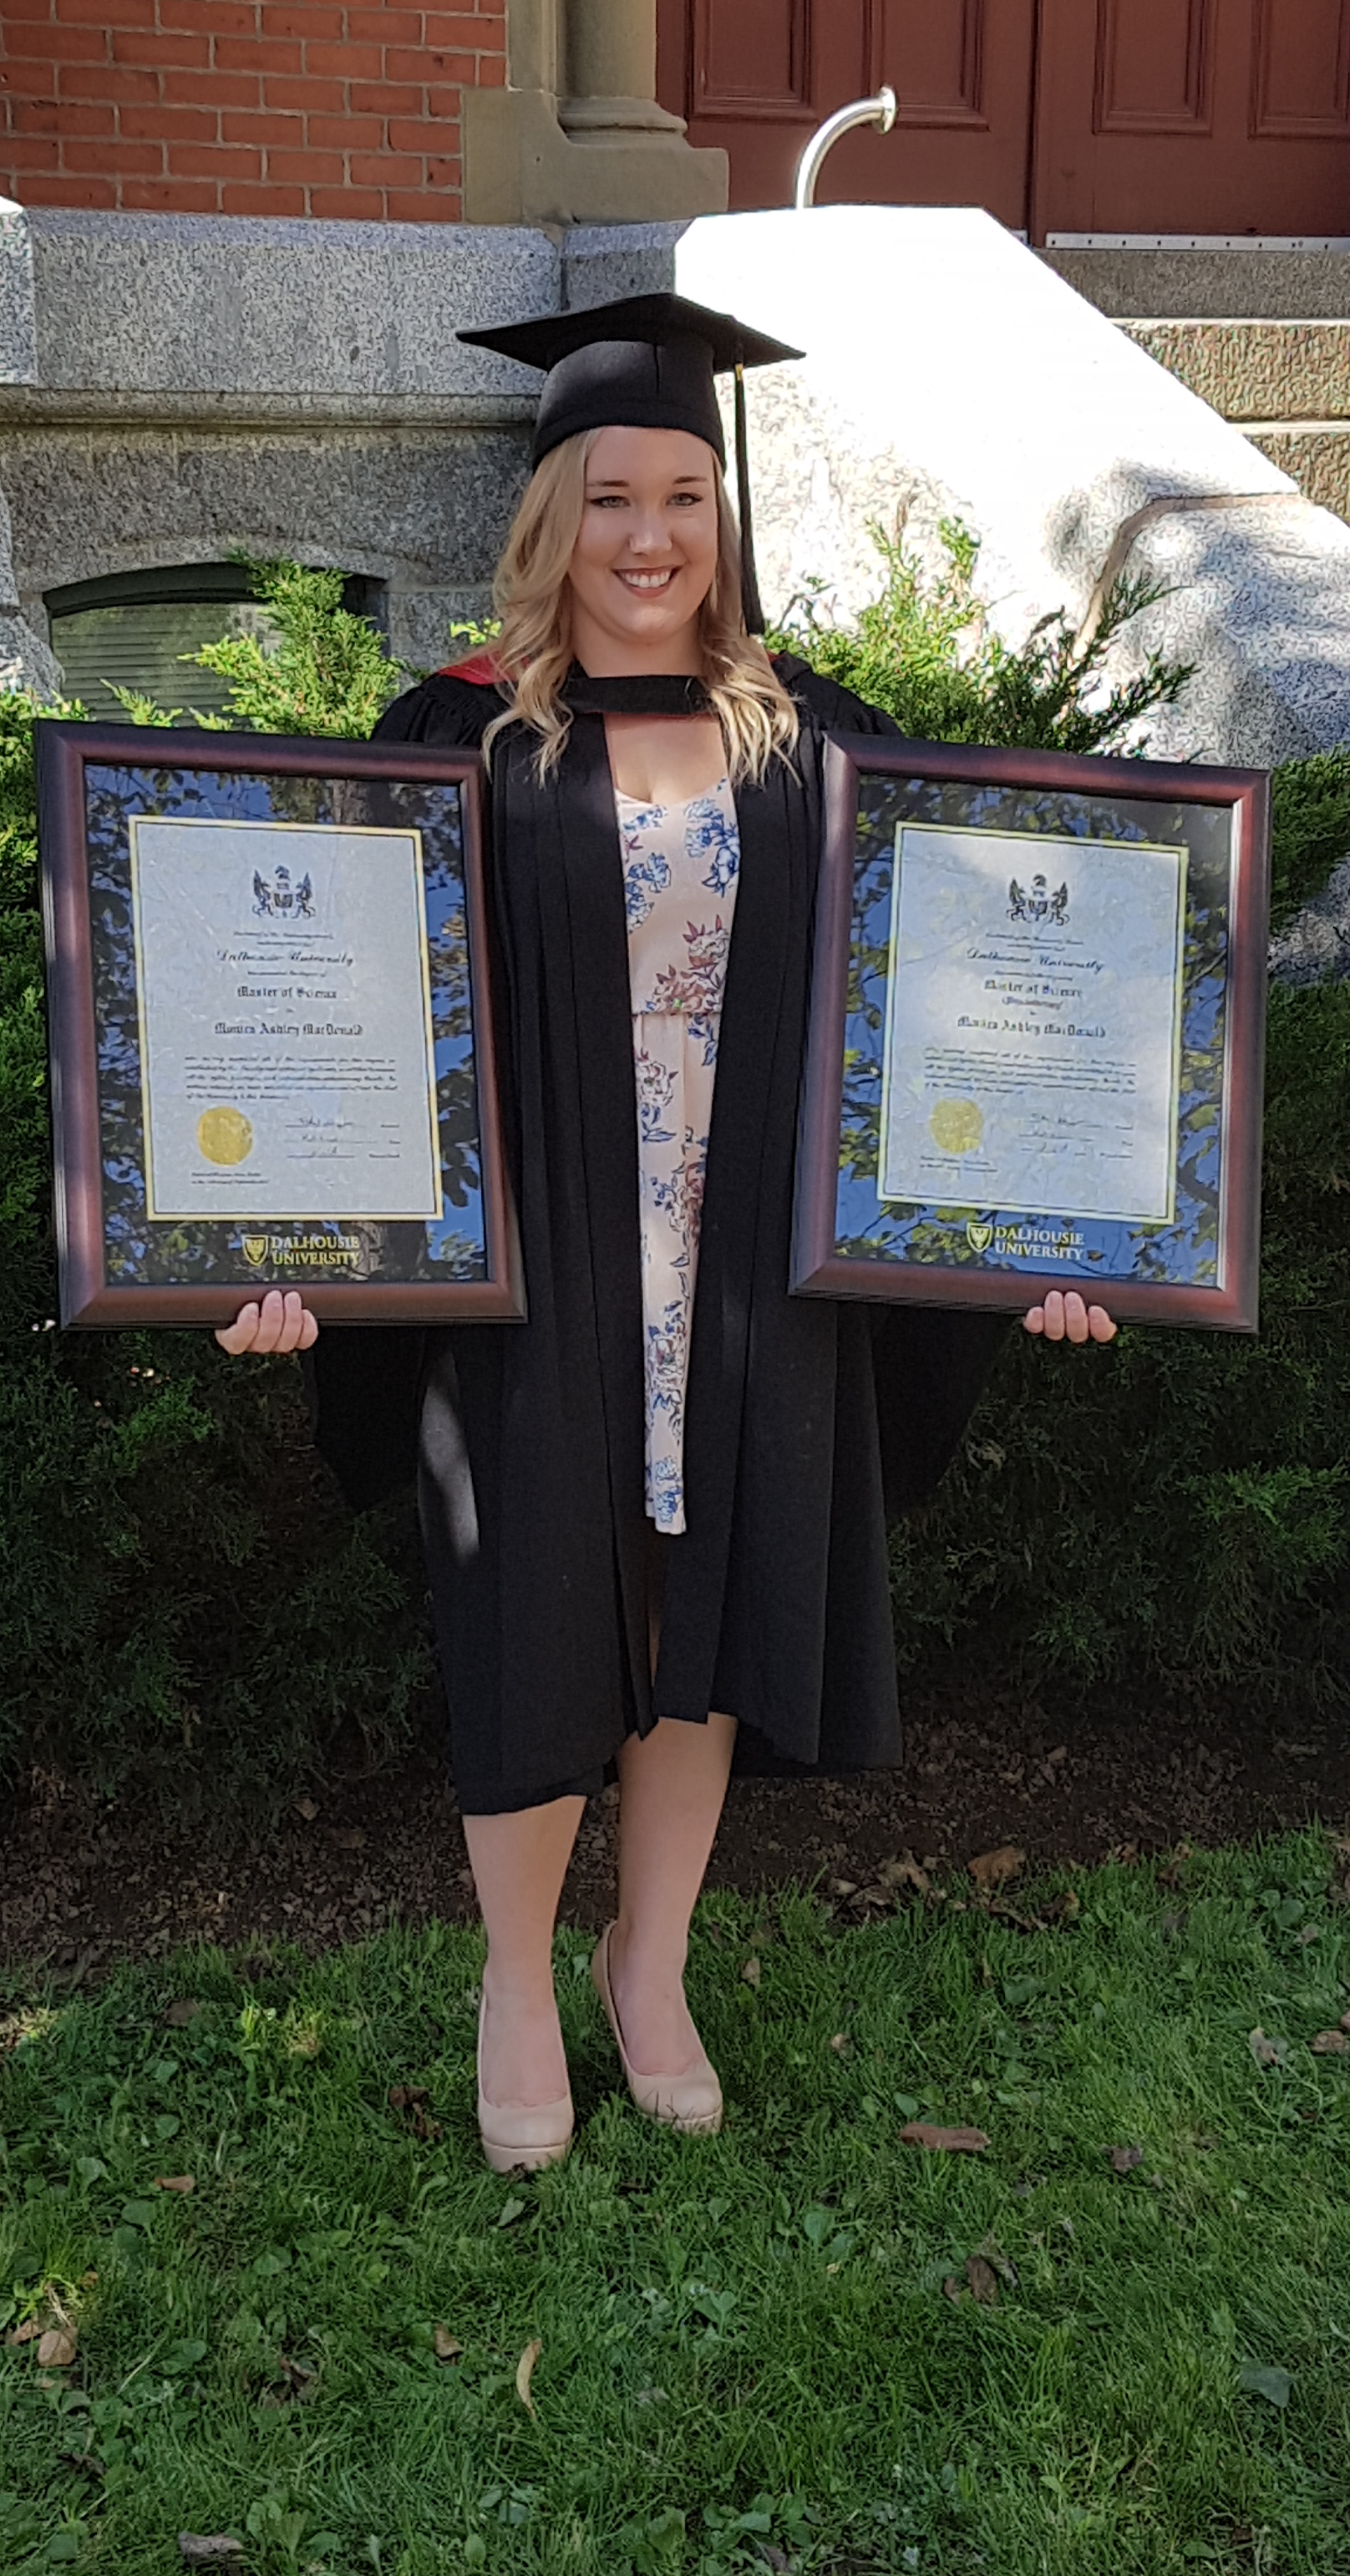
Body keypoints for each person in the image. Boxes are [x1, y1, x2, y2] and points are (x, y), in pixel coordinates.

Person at [215, 292, 1114, 2171]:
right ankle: (515, 1982)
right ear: (553, 515)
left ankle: (654, 1961)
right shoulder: (459, 734)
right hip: (541, 1265)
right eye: (611, 497)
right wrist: (278, 1238)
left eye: (686, 497)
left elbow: (946, 1009)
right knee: (539, 1604)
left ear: (726, 513)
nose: (651, 537)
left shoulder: (817, 735)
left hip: (748, 1256)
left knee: (697, 1608)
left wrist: (1045, 1224)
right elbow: (349, 1017)